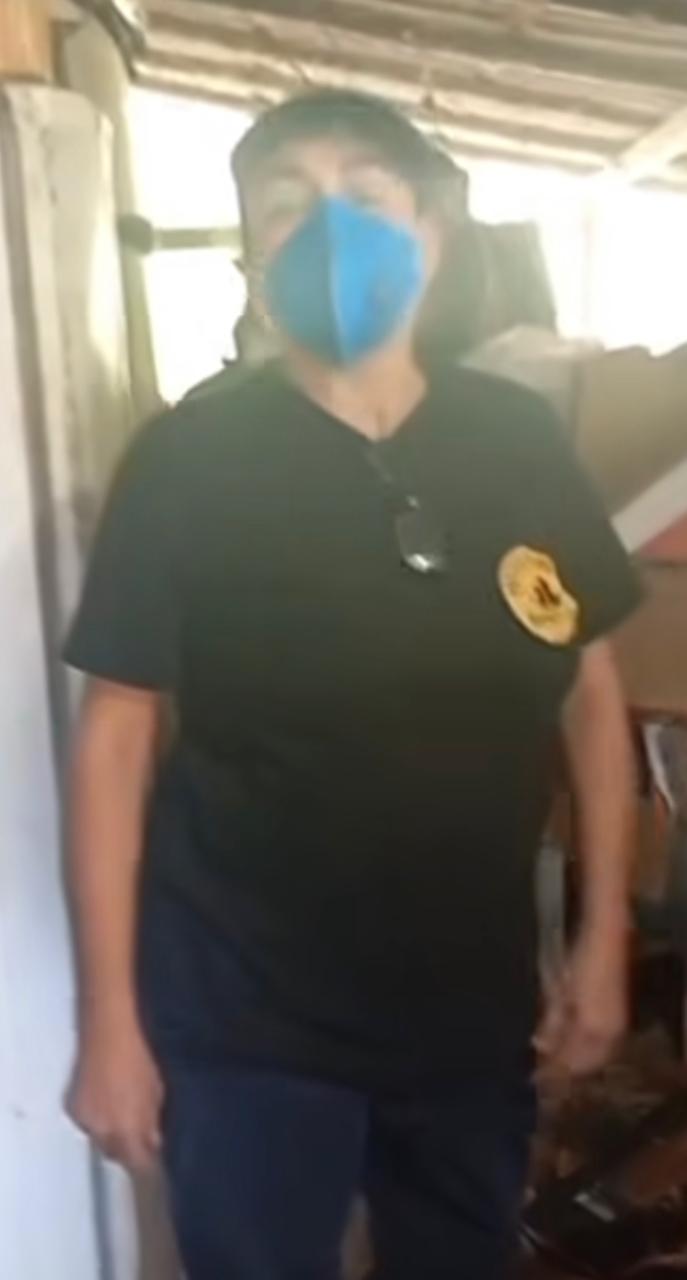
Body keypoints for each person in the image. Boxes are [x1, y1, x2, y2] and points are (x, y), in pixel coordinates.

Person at [65, 90, 640, 1280]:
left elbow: (589, 694)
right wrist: (110, 1020)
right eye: (288, 207)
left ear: (431, 231)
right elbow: (116, 734)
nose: (329, 231)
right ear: (251, 259)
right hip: (246, 1016)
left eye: (365, 198)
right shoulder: (189, 459)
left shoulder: (516, 442)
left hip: (466, 1006)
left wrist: (604, 936)